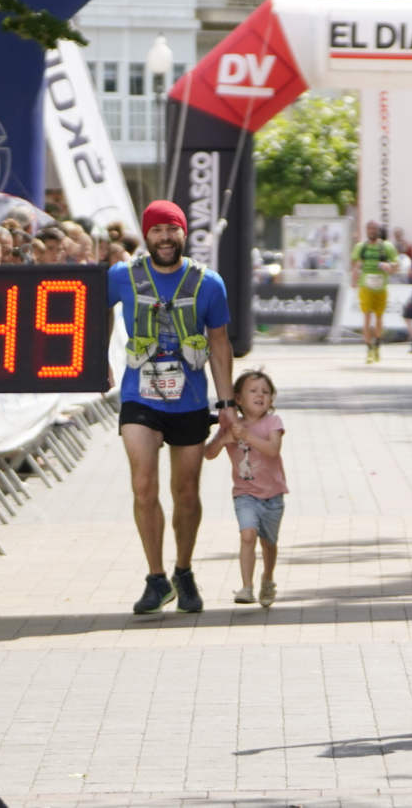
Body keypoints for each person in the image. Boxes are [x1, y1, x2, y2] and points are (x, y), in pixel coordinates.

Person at [110, 200, 236, 615]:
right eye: (157, 230)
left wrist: (228, 405)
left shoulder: (208, 283)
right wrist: (96, 362)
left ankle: (183, 570)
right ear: (146, 236)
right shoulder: (123, 276)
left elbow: (219, 343)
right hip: (139, 396)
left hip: (190, 399)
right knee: (143, 485)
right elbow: (87, 309)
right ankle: (155, 577)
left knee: (186, 492)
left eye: (172, 230)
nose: (165, 238)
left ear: (184, 234)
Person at [204, 369, 286, 609]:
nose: (260, 395)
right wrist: (223, 439)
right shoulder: (232, 425)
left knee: (269, 542)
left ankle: (267, 579)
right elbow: (208, 454)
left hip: (273, 495)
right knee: (247, 535)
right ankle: (247, 586)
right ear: (238, 399)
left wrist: (247, 437)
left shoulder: (273, 422)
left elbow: (272, 450)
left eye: (265, 392)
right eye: (253, 391)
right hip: (245, 494)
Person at [351, 221, 397, 363]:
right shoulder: (361, 247)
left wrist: (389, 266)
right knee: (366, 317)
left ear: (378, 230)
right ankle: (369, 348)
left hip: (381, 286)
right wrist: (354, 279)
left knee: (378, 318)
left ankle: (377, 344)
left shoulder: (386, 247)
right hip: (366, 286)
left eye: (374, 229)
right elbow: (355, 265)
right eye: (369, 228)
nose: (372, 231)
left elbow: (396, 265)